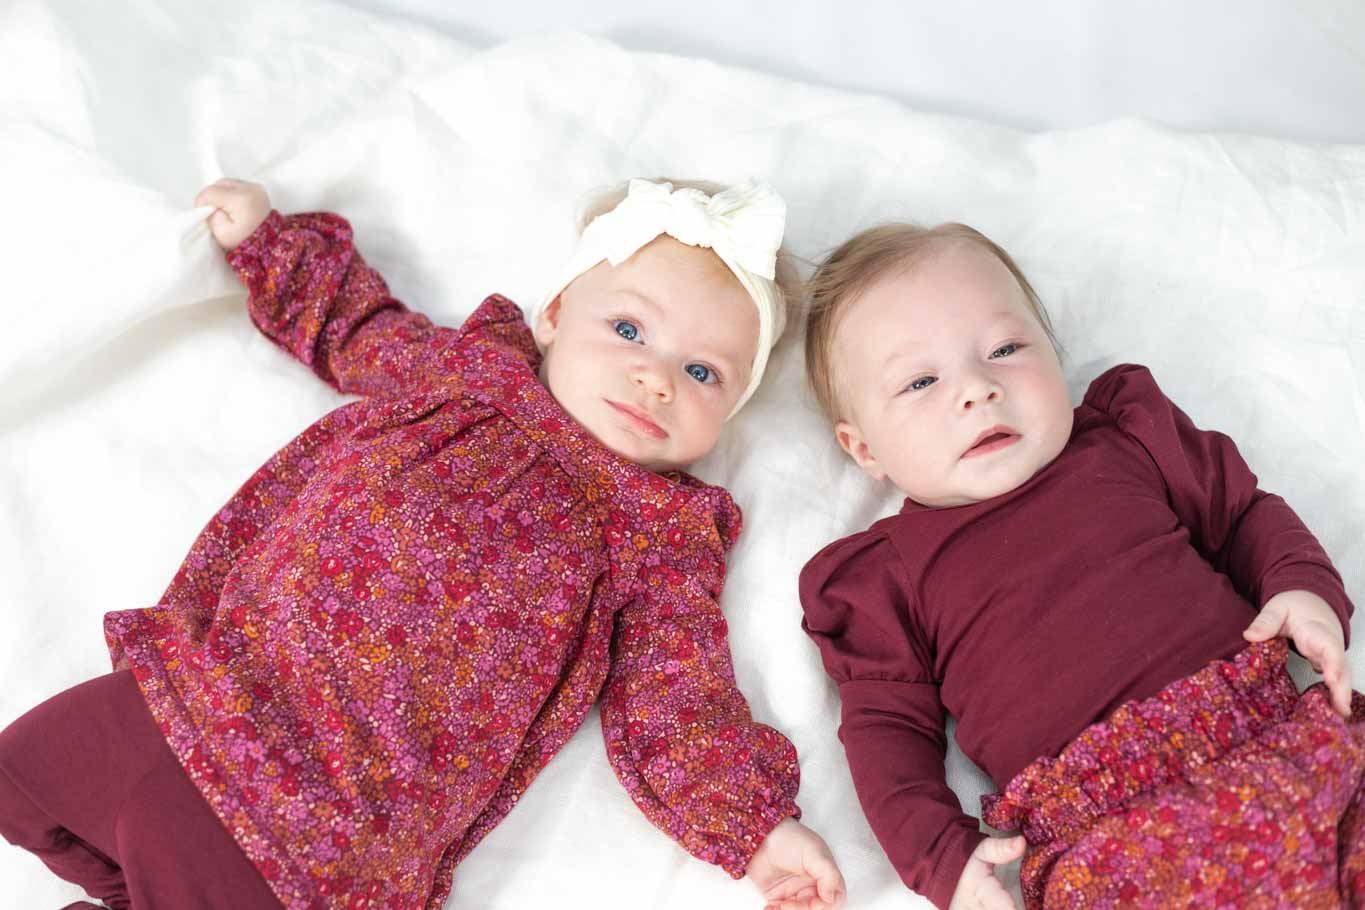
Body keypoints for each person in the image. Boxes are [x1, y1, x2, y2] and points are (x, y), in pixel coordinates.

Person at [0, 176, 846, 910]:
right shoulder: (463, 370)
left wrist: (756, 830)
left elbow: (676, 698)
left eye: (702, 374)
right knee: (20, 778)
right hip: (209, 686)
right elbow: (353, 325)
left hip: (327, 818)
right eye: (628, 330)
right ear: (553, 316)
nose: (654, 377)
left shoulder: (658, 533)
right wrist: (267, 242)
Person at [797, 222, 1358, 909]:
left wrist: (1302, 587)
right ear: (864, 451)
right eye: (920, 381)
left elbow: (1242, 514)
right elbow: (886, 736)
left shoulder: (1126, 441)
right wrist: (941, 857)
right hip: (1110, 836)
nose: (977, 388)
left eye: (1005, 349)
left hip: (1275, 736)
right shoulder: (886, 579)